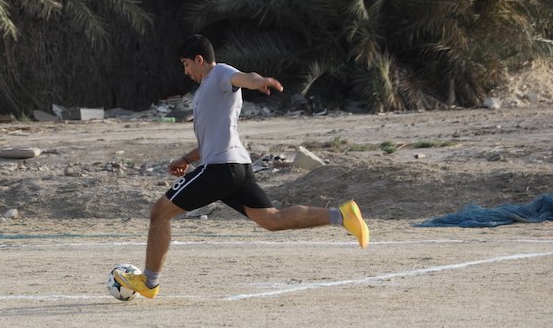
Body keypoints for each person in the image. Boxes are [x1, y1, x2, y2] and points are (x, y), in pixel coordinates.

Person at [114, 34, 369, 299]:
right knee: (272, 219)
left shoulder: (219, 74)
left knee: (160, 212)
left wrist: (259, 82)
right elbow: (213, 139)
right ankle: (343, 216)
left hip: (221, 169)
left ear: (199, 60)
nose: (185, 71)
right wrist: (187, 159)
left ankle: (149, 282)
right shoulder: (206, 90)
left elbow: (244, 77)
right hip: (236, 167)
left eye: (186, 64)